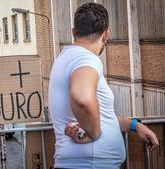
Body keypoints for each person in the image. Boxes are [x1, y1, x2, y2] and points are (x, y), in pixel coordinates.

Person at [48, 3, 159, 169]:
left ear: (74, 32)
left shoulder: (64, 59)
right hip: (90, 165)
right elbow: (82, 98)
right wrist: (94, 133)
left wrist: (134, 125)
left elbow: (100, 115)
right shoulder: (86, 59)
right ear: (106, 34)